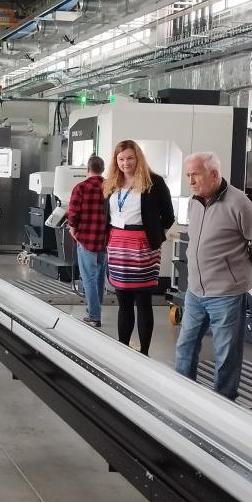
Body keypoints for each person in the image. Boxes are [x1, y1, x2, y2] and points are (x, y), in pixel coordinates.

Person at [174, 152, 252, 399]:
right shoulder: (194, 202)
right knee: (185, 346)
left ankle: (224, 402)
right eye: (188, 175)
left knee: (226, 354)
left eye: (195, 175)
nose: (190, 181)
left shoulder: (239, 203)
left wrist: (241, 270)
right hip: (195, 291)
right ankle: (181, 396)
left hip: (226, 294)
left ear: (214, 174)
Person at [102, 140, 175, 355]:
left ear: (138, 158)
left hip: (143, 248)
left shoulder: (154, 182)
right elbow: (109, 215)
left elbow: (168, 216)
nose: (126, 163)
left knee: (143, 301)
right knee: (123, 301)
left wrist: (152, 234)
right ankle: (123, 349)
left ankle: (144, 353)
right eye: (121, 159)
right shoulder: (112, 183)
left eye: (130, 158)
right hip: (117, 246)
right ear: (116, 161)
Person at [67, 155, 109, 328]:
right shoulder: (110, 187)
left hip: (86, 238)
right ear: (103, 169)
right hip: (104, 240)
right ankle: (95, 310)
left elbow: (73, 213)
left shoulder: (81, 187)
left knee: (88, 278)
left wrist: (72, 229)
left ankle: (94, 315)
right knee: (99, 277)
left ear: (88, 169)